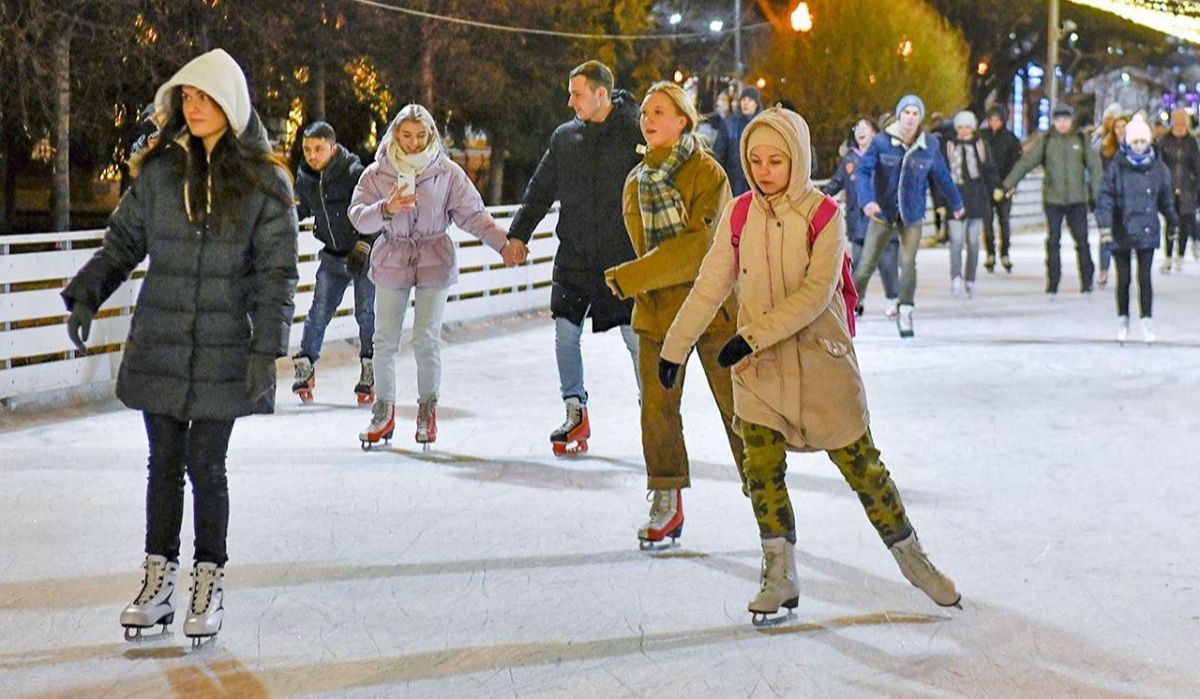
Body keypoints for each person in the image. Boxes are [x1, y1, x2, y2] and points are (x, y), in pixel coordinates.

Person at [659, 107, 959, 622]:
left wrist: (748, 337)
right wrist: (674, 347)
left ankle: (915, 560)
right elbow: (711, 283)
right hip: (760, 375)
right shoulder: (739, 215)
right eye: (755, 160)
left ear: (796, 158)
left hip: (822, 366)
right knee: (763, 473)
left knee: (864, 469)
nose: (764, 170)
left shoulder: (824, 214)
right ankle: (779, 574)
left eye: (776, 160)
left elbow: (816, 294)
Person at [62, 49, 299, 645]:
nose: (193, 108)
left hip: (225, 347)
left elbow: (278, 275)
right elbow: (123, 244)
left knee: (206, 467)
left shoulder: (264, 182)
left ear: (230, 103)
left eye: (204, 97)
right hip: (163, 341)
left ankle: (208, 582)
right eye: (186, 98)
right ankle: (158, 582)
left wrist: (265, 352)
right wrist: (88, 293)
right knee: (163, 465)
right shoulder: (161, 174)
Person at [604, 82, 743, 549]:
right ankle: (666, 499)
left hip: (712, 308)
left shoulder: (708, 173)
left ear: (682, 120)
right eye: (644, 112)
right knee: (657, 411)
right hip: (659, 313)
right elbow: (646, 244)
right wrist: (643, 279)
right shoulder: (634, 181)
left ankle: (765, 490)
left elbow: (700, 248)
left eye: (659, 111)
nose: (648, 119)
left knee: (737, 404)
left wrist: (632, 277)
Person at [349, 104, 524, 449]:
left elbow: (474, 216)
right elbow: (358, 217)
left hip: (433, 255)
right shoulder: (377, 173)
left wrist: (503, 245)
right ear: (395, 134)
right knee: (383, 340)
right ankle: (383, 412)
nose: (413, 143)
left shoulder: (447, 173)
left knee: (426, 338)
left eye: (421, 136)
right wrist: (387, 209)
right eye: (406, 135)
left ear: (431, 136)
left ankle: (427, 411)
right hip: (392, 254)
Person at [505, 60, 643, 456]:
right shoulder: (565, 139)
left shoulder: (636, 133)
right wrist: (518, 234)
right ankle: (574, 408)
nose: (570, 102)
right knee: (566, 333)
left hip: (622, 260)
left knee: (635, 338)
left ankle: (654, 411)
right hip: (575, 257)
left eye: (577, 94)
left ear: (601, 94)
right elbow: (540, 188)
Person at [855, 94, 963, 338]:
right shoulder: (882, 142)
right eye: (907, 113)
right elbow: (863, 171)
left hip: (912, 214)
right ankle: (850, 305)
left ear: (920, 118)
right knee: (865, 266)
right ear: (899, 115)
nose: (910, 118)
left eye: (915, 113)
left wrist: (956, 202)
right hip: (883, 211)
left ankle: (905, 309)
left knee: (908, 262)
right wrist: (867, 200)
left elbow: (942, 177)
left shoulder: (929, 146)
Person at [292, 121, 373, 404]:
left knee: (365, 313)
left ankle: (369, 367)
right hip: (332, 254)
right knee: (318, 312)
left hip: (362, 255)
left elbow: (373, 211)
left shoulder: (355, 174)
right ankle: (306, 364)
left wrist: (364, 246)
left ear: (333, 148)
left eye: (318, 149)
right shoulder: (306, 177)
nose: (312, 155)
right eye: (307, 149)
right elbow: (299, 208)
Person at [1001, 104, 1103, 297]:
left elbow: (1094, 167)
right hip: (1053, 199)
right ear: (1054, 122)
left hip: (1077, 199)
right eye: (1058, 120)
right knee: (1053, 241)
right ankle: (1053, 281)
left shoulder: (1081, 139)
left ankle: (1087, 280)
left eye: (1065, 120)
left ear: (1071, 121)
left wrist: (1095, 195)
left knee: (1082, 241)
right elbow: (1027, 162)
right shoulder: (1047, 140)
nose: (1062, 124)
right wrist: (1008, 184)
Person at [1095, 115, 1178, 344]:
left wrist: (1173, 222)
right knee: (1123, 279)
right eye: (1135, 143)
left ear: (1149, 142)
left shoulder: (1158, 168)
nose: (1139, 147)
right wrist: (1105, 225)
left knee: (1144, 278)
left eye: (1143, 142)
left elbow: (1166, 200)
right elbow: (1106, 197)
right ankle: (1123, 319)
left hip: (1147, 228)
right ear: (1127, 144)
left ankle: (1147, 320)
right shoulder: (1117, 166)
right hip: (1122, 228)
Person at [823, 116, 900, 317]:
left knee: (887, 262)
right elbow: (836, 182)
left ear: (874, 133)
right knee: (857, 263)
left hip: (883, 219)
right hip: (858, 220)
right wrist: (821, 198)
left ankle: (893, 299)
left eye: (865, 127)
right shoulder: (850, 159)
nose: (860, 131)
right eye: (857, 127)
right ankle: (858, 301)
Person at [945, 110, 998, 298]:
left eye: (967, 126)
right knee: (956, 241)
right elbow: (942, 175)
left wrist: (996, 190)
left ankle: (971, 278)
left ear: (973, 128)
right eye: (960, 127)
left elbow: (989, 170)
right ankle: (956, 277)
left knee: (974, 242)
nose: (964, 130)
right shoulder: (949, 145)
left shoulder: (981, 145)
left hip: (976, 198)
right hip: (955, 198)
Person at [1156, 108, 1200, 271]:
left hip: (1188, 188)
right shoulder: (1164, 141)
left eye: (1183, 124)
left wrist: (1196, 187)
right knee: (1170, 222)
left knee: (1185, 223)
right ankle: (1168, 255)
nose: (1180, 127)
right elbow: (1159, 164)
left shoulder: (1191, 142)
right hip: (1169, 187)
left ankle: (1180, 255)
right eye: (1177, 124)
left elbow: (1197, 166)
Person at [981, 105, 1021, 272]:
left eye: (997, 120)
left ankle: (1005, 253)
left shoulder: (1011, 139)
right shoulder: (983, 138)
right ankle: (990, 253)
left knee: (1004, 221)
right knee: (987, 221)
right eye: (991, 120)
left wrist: (1011, 185)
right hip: (985, 187)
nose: (994, 123)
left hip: (1005, 186)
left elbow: (1017, 164)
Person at [1096, 113, 1130, 285]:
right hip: (1109, 198)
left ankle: (1124, 271)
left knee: (1125, 237)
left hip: (1128, 200)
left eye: (1123, 127)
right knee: (1106, 235)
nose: (1120, 130)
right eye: (1117, 127)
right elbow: (1099, 174)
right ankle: (1103, 269)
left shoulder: (1135, 148)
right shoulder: (1106, 149)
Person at [713, 86, 764, 196]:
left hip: (757, 187)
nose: (746, 103)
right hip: (732, 185)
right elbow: (718, 156)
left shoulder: (763, 127)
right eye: (743, 100)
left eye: (750, 100)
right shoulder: (729, 125)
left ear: (756, 104)